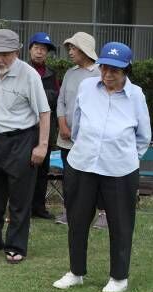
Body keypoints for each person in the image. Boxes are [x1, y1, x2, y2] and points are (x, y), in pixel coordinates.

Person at [53, 42, 150, 292]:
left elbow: (143, 137)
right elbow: (77, 125)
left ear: (126, 70)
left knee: (120, 224)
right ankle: (76, 272)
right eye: (104, 68)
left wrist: (123, 155)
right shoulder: (86, 87)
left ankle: (119, 277)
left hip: (120, 170)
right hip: (82, 164)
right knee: (77, 220)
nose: (108, 74)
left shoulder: (137, 95)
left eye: (114, 70)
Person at [0, 29, 51, 264]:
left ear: (16, 52)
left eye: (3, 54)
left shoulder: (29, 75)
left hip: (23, 138)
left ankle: (16, 246)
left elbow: (44, 112)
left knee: (19, 195)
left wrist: (42, 146)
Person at [55, 32, 101, 226]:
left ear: (84, 50)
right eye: (70, 48)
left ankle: (103, 215)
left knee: (95, 176)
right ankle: (69, 212)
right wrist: (62, 124)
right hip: (67, 138)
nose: (70, 52)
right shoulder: (70, 73)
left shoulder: (100, 72)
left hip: (91, 139)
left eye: (74, 48)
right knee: (70, 177)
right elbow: (61, 100)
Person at [27, 32, 59, 220]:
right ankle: (23, 207)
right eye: (37, 48)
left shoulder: (51, 75)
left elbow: (55, 99)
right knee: (24, 170)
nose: (40, 52)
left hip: (45, 131)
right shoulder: (22, 70)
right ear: (30, 49)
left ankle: (39, 207)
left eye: (44, 50)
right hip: (25, 129)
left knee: (42, 171)